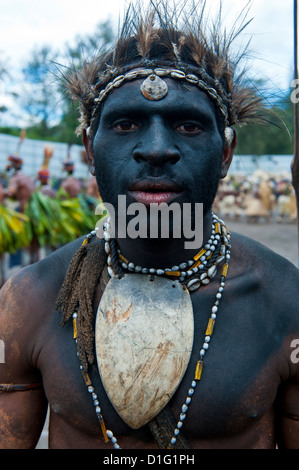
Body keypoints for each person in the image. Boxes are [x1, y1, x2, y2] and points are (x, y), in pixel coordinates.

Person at [1, 1, 299, 450]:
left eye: (188, 125)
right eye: (125, 123)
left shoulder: (287, 300)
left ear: (226, 154)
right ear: (88, 147)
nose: (157, 149)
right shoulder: (28, 302)